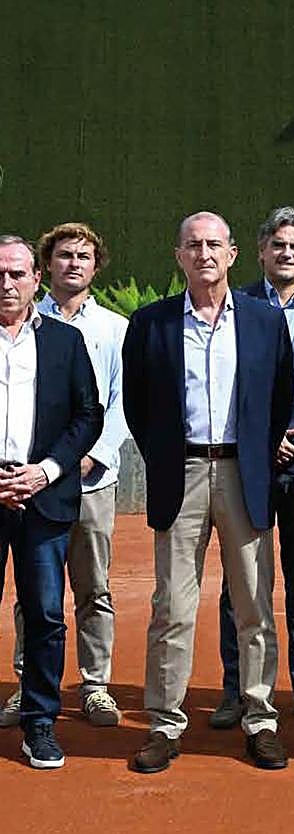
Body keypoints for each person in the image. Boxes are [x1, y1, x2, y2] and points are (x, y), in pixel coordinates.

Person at [123, 212, 294, 773]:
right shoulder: (150, 324)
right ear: (179, 255)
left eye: (213, 244)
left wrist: (258, 455)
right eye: (193, 245)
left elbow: (278, 397)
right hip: (183, 473)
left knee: (254, 604)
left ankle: (260, 718)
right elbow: (138, 405)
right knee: (172, 607)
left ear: (233, 254)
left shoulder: (265, 321)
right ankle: (164, 723)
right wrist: (166, 457)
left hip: (246, 474)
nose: (204, 254)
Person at [0, 224, 127, 730]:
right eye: (64, 255)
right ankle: (27, 683)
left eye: (84, 256)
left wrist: (89, 457)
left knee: (91, 588)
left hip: (89, 480)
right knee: (34, 596)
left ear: (96, 266)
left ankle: (95, 686)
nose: (73, 263)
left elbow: (114, 403)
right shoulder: (35, 322)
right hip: (23, 485)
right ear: (45, 268)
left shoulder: (114, 329)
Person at [210, 207, 294, 730]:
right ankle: (235, 689)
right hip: (248, 465)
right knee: (239, 583)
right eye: (277, 244)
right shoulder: (233, 306)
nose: (286, 253)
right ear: (259, 253)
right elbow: (226, 385)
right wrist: (263, 439)